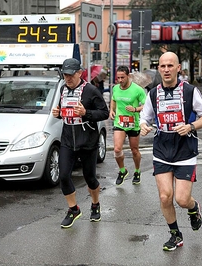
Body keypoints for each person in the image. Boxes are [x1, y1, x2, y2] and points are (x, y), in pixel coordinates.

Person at [139, 52, 202, 251]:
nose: (166, 69)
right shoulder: (153, 93)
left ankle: (193, 208)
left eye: (170, 66)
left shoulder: (190, 91)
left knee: (181, 199)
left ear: (178, 68)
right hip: (162, 149)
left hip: (185, 150)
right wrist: (144, 126)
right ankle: (175, 234)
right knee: (165, 196)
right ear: (159, 69)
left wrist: (190, 127)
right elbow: (144, 118)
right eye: (163, 66)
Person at [52, 58, 109, 228]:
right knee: (63, 176)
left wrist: (86, 113)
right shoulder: (63, 89)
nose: (67, 78)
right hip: (68, 139)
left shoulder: (91, 90)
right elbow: (64, 110)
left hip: (87, 141)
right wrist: (58, 114)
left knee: (89, 178)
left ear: (79, 73)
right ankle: (73, 209)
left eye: (70, 75)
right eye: (65, 75)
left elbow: (104, 113)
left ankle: (95, 204)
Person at [110, 65, 147, 186]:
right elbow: (114, 99)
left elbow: (146, 106)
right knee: (117, 149)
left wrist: (135, 109)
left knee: (134, 150)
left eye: (122, 77)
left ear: (128, 76)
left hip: (133, 123)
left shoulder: (138, 90)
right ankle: (122, 171)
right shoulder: (115, 88)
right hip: (119, 122)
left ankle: (137, 171)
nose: (120, 80)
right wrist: (111, 110)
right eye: (118, 78)